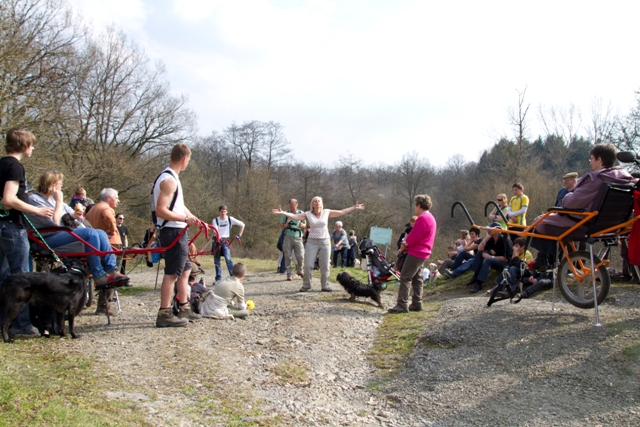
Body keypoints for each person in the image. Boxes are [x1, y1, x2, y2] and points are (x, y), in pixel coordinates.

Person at [27, 171, 127, 315]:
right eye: (59, 183)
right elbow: (54, 223)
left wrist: (76, 216)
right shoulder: (35, 200)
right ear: (52, 185)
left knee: (99, 232)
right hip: (47, 239)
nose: (61, 186)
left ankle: (112, 269)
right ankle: (98, 275)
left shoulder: (55, 201)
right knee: (91, 233)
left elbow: (74, 220)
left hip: (63, 235)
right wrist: (61, 202)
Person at [532, 143, 636, 269]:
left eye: (592, 158)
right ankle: (545, 260)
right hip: (612, 224)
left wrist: (565, 198)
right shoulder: (626, 179)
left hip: (584, 223)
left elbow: (571, 202)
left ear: (600, 159)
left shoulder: (595, 179)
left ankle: (543, 260)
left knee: (539, 221)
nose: (590, 161)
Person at [0, 129, 54, 337]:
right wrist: (37, 210)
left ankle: (4, 322)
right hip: (12, 227)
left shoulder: (1, 164)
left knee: (4, 276)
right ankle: (21, 326)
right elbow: (9, 199)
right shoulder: (15, 166)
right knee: (22, 277)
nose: (32, 148)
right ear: (23, 146)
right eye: (31, 145)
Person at [153, 143, 204, 327]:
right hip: (172, 230)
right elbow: (161, 210)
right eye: (188, 160)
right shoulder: (169, 180)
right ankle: (164, 313)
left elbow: (177, 204)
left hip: (178, 229)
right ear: (184, 159)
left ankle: (184, 306)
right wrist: (184, 218)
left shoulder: (172, 178)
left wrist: (192, 217)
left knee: (185, 269)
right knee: (172, 273)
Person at [272, 197, 365, 292]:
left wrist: (354, 207)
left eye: (318, 201)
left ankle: (325, 285)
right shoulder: (308, 214)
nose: (317, 202)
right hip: (312, 242)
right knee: (308, 264)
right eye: (315, 201)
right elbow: (295, 217)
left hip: (325, 242)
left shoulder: (326, 212)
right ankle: (306, 285)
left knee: (325, 265)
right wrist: (282, 212)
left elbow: (341, 212)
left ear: (321, 203)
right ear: (312, 204)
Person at [388, 195, 437, 313]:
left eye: (415, 205)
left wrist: (404, 244)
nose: (415, 207)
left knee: (405, 277)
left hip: (416, 252)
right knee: (417, 278)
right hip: (423, 252)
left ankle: (402, 304)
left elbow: (414, 236)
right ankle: (417, 302)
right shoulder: (431, 217)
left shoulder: (423, 218)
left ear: (419, 205)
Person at [465, 222, 513, 294]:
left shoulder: (505, 241)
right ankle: (476, 275)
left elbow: (506, 259)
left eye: (491, 229)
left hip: (504, 264)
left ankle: (479, 283)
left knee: (487, 260)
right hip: (494, 260)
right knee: (480, 253)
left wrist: (491, 257)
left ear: (497, 230)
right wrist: (486, 238)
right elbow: (480, 249)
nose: (488, 230)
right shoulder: (490, 240)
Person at [212, 205, 245, 283]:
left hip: (225, 242)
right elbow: (215, 230)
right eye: (221, 211)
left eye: (224, 211)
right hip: (217, 241)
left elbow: (242, 224)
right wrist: (219, 238)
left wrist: (239, 235)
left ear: (226, 211)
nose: (223, 212)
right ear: (219, 212)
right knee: (217, 261)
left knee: (228, 259)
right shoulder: (215, 220)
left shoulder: (230, 219)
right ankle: (218, 279)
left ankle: (233, 277)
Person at [280, 198, 305, 281]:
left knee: (300, 256)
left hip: (298, 236)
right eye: (291, 207)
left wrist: (302, 225)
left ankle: (300, 270)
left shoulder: (301, 213)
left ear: (297, 205)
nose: (292, 209)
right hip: (288, 236)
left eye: (293, 207)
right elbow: (281, 225)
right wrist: (286, 224)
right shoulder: (286, 213)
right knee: (288, 256)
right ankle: (289, 274)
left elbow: (306, 225)